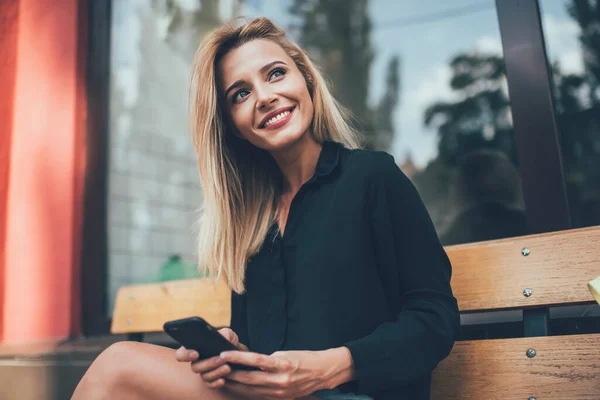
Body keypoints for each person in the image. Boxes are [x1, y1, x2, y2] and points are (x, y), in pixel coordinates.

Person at [72, 17, 460, 400]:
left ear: (306, 79)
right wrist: (233, 353)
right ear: (233, 127)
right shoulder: (250, 223)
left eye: (275, 74)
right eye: (240, 94)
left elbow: (434, 319)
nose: (264, 97)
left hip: (358, 394)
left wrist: (329, 367)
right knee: (119, 371)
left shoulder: (373, 177)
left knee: (118, 365)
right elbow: (263, 355)